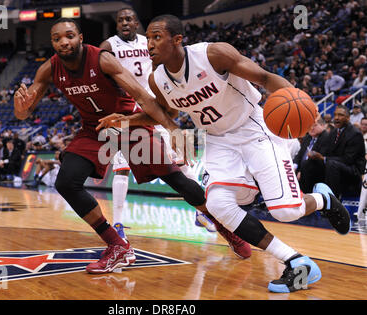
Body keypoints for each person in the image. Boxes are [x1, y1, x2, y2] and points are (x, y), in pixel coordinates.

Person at [100, 14, 352, 293]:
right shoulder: (158, 79)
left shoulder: (214, 55)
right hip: (219, 141)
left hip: (254, 129)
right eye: (147, 38)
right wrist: (126, 120)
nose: (149, 44)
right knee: (218, 206)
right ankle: (295, 261)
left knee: (286, 212)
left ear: (177, 40)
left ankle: (322, 199)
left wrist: (304, 108)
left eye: (156, 37)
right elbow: (165, 114)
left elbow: (265, 78)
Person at [13, 18, 251, 275]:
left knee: (176, 179)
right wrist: (21, 108)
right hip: (95, 129)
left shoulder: (103, 59)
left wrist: (172, 128)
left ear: (81, 38)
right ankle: (118, 246)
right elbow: (24, 114)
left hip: (128, 124)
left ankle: (226, 228)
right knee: (66, 182)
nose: (63, 42)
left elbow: (141, 96)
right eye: (57, 38)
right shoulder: (49, 69)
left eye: (69, 36)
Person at [98, 8, 210, 237]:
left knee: (182, 160)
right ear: (116, 25)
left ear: (137, 23)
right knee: (122, 168)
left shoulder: (149, 41)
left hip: (153, 105)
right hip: (125, 109)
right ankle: (117, 224)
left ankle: (202, 211)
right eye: (120, 20)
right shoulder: (109, 46)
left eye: (129, 19)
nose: (125, 23)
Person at [309, 105, 366, 198]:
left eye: (340, 115)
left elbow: (348, 159)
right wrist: (317, 155)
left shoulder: (355, 134)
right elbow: (328, 152)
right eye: (335, 115)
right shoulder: (334, 132)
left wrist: (324, 158)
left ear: (348, 118)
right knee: (311, 163)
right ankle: (310, 197)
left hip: (353, 170)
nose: (336, 118)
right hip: (338, 165)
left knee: (331, 164)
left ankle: (332, 202)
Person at [293, 117, 330, 193]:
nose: (311, 128)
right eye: (309, 126)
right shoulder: (307, 138)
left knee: (307, 167)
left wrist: (301, 170)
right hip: (302, 170)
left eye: (315, 125)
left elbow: (318, 158)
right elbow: (299, 155)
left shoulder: (326, 138)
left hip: (316, 171)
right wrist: (294, 166)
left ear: (323, 126)